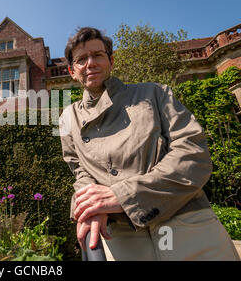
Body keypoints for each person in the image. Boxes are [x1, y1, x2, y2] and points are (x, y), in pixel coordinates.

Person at [59, 27, 240, 261]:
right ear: (72, 71)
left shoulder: (154, 93)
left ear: (111, 61)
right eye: (81, 59)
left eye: (98, 55)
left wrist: (124, 196)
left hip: (188, 224)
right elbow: (79, 171)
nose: (90, 63)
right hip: (121, 237)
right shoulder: (66, 118)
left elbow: (193, 154)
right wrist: (88, 206)